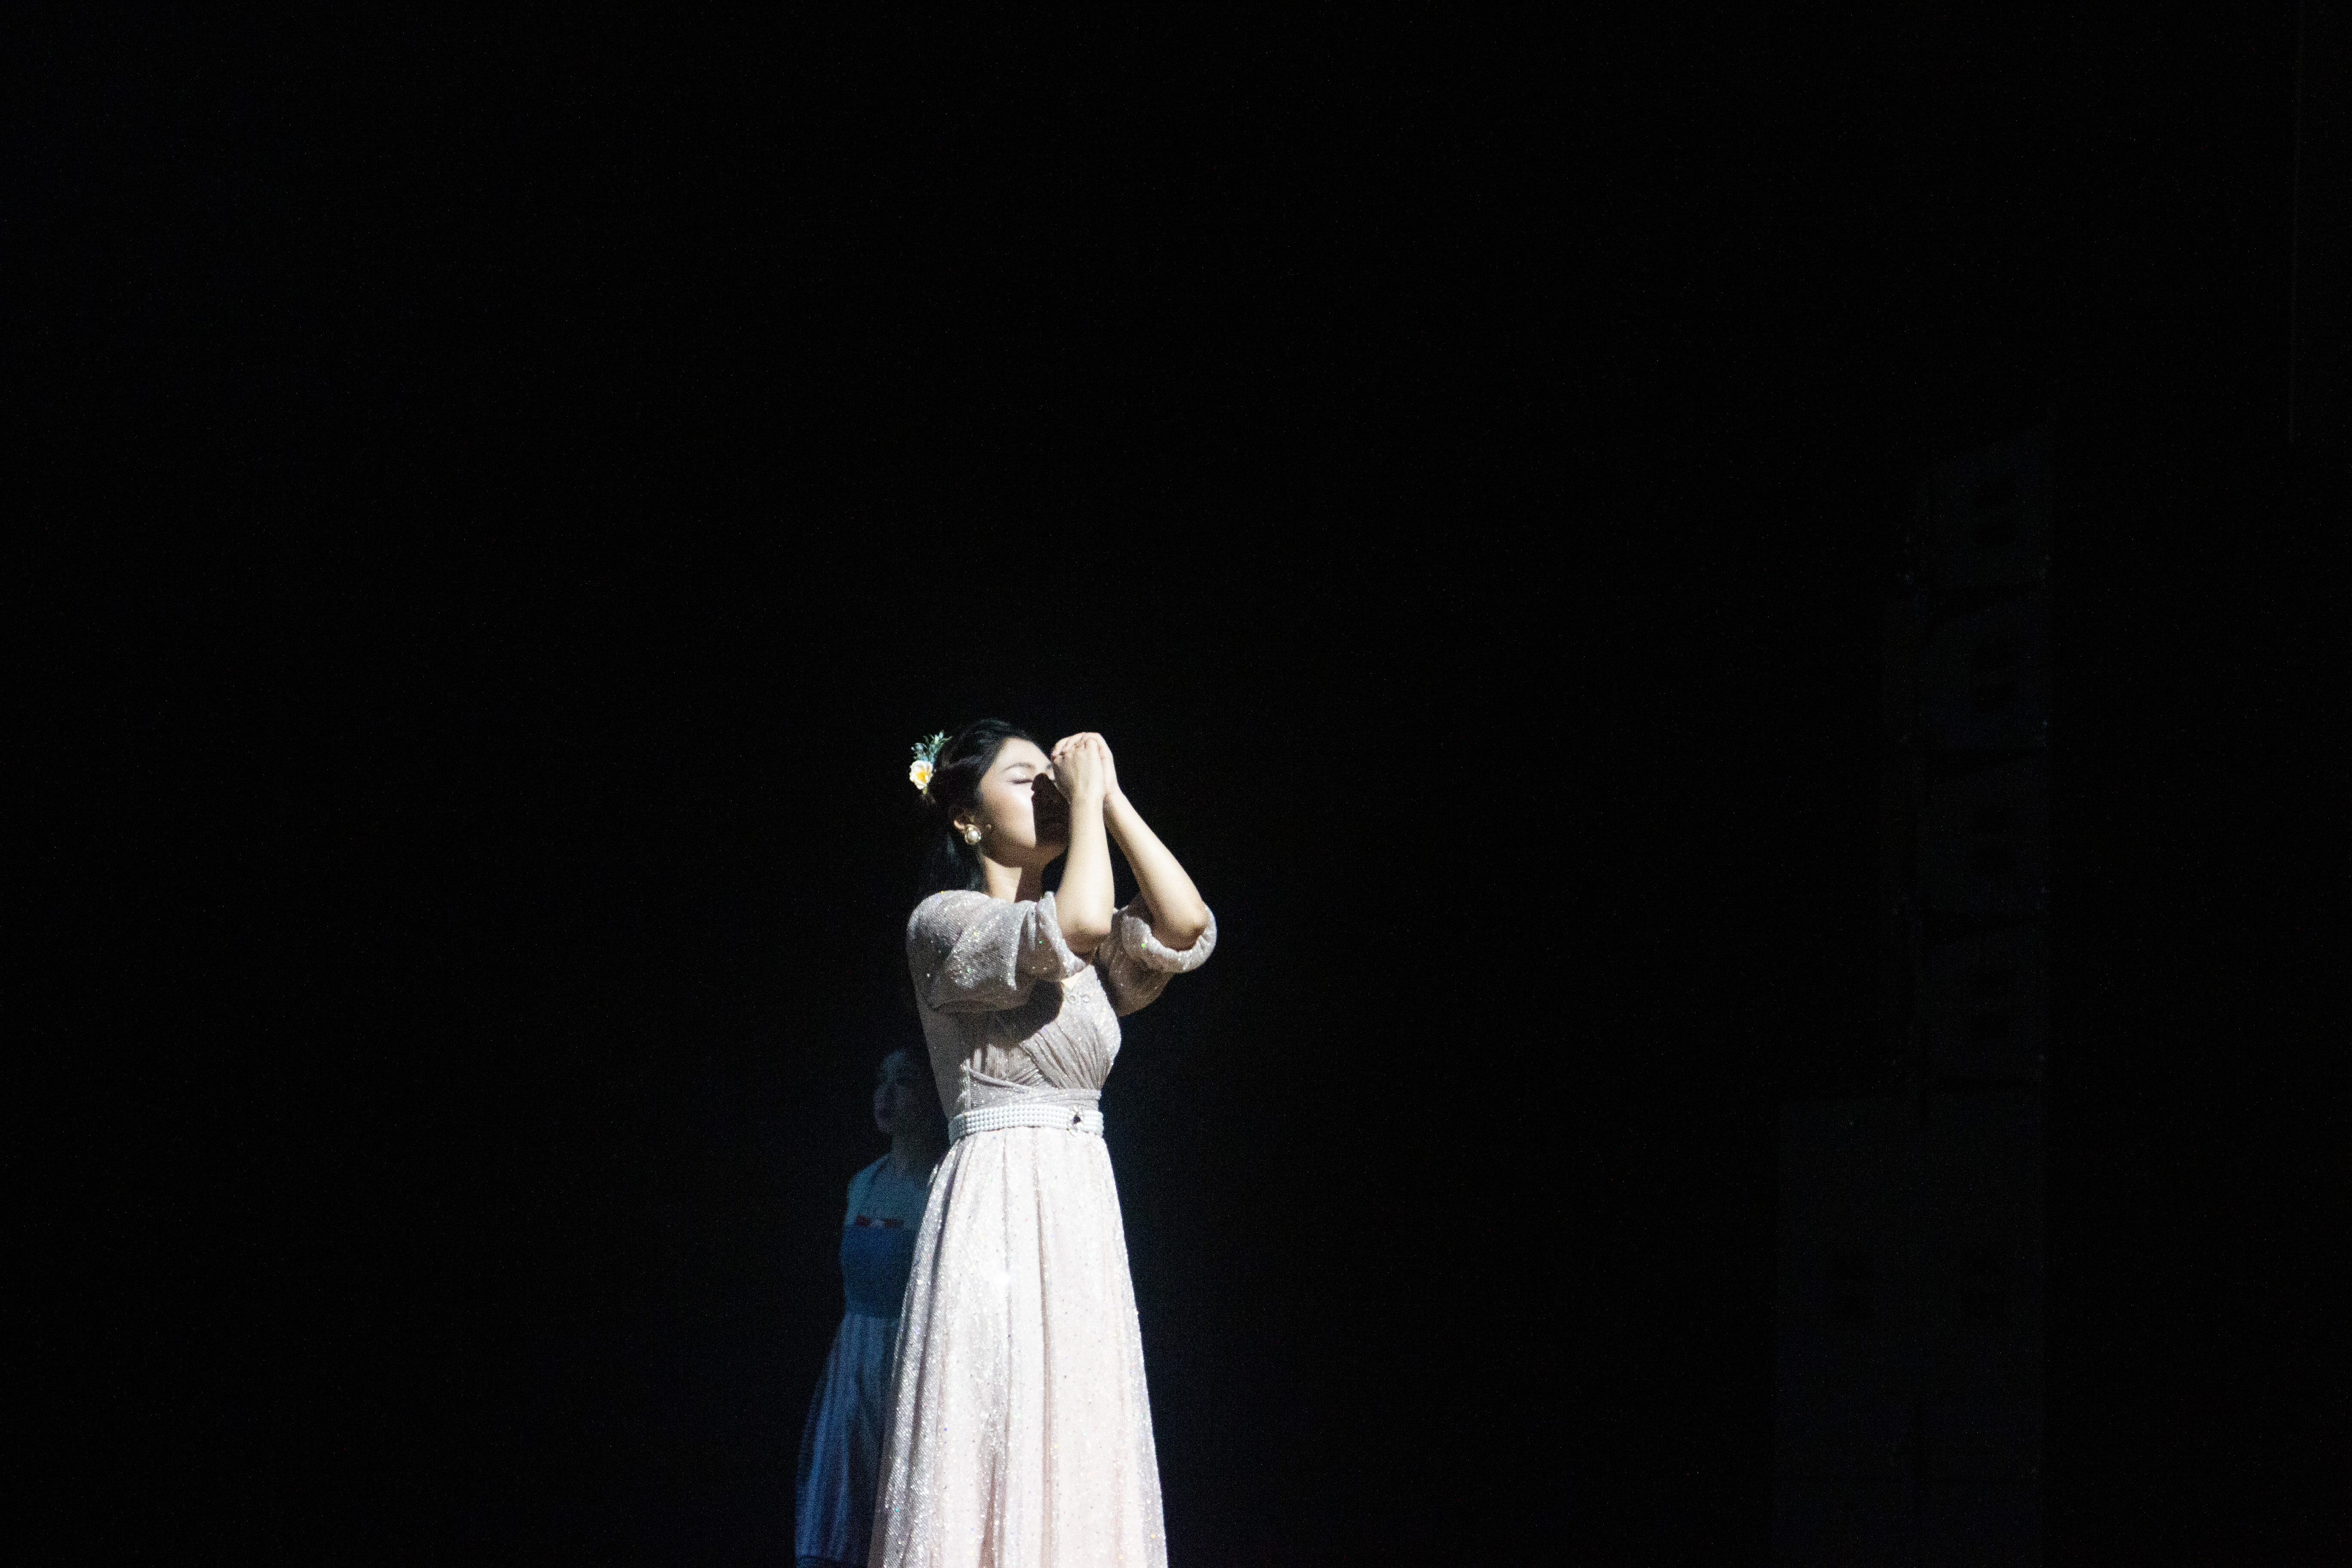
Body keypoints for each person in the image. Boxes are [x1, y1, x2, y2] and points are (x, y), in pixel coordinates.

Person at [870, 721, 1215, 1568]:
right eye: (1025, 778)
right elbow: (1079, 924)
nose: (1049, 790)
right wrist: (1086, 805)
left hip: (1077, 1204)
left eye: (1049, 778)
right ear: (967, 819)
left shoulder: (1078, 936)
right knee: (996, 1421)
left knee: (1078, 1436)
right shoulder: (943, 923)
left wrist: (1111, 799)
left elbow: (1184, 923)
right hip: (996, 1202)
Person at [794, 1045, 948, 1568]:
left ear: (932, 1092)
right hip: (854, 1365)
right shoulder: (862, 1183)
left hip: (910, 1363)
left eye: (903, 1081)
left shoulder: (943, 1184)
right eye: (881, 1079)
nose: (886, 1094)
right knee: (839, 1514)